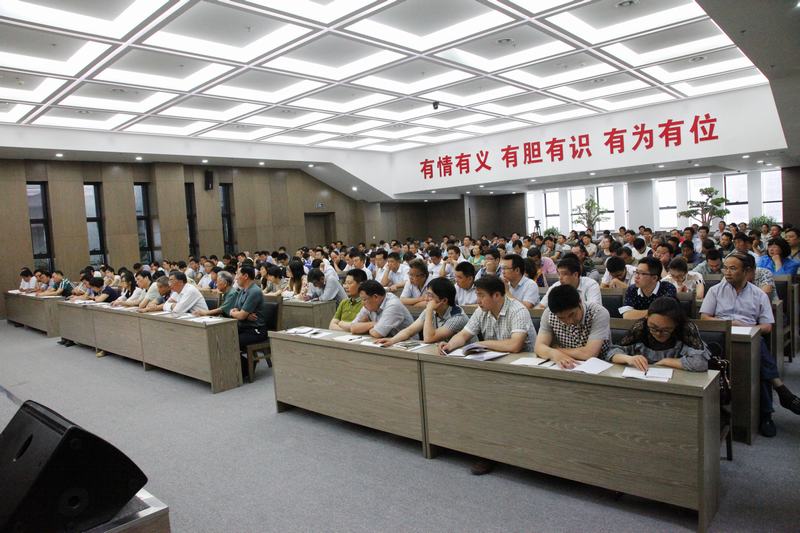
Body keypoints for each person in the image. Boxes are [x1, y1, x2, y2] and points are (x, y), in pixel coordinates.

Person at [437, 274, 537, 476]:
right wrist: (449, 345)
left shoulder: (518, 310)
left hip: (524, 373)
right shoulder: (481, 311)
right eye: (477, 295)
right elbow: (464, 335)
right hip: (494, 368)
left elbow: (514, 345)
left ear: (497, 295)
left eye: (481, 295)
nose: (478, 300)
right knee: (472, 398)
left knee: (492, 404)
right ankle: (484, 449)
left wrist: (482, 343)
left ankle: (502, 451)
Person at [700, 252, 800, 437]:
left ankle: (766, 416)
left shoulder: (758, 294)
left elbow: (767, 326)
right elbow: (705, 318)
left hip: (749, 338)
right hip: (720, 338)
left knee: (758, 361)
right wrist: (728, 324)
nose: (727, 272)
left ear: (746, 271)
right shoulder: (715, 290)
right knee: (761, 363)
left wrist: (747, 327)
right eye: (725, 268)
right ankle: (780, 390)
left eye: (733, 268)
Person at [606, 296, 710, 371]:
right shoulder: (641, 327)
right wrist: (629, 359)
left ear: (676, 324)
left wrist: (666, 362)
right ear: (647, 318)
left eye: (666, 330)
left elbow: (701, 363)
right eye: (653, 327)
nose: (658, 333)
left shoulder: (686, 328)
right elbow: (612, 352)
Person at [534, 284, 613, 369]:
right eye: (561, 318)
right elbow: (538, 347)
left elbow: (589, 353)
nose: (569, 321)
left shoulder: (598, 313)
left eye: (572, 314)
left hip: (599, 365)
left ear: (580, 302)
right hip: (564, 366)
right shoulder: (549, 314)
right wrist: (553, 354)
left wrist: (554, 350)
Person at [376, 278, 469, 346]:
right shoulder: (431, 310)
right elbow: (410, 330)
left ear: (444, 300)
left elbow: (429, 338)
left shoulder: (458, 317)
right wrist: (392, 340)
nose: (426, 299)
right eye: (426, 294)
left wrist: (429, 310)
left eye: (430, 295)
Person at [228, 265, 269, 381]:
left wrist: (240, 314)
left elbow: (240, 315)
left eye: (238, 274)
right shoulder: (243, 290)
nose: (236, 277)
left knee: (230, 342)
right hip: (244, 327)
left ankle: (245, 368)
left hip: (256, 330)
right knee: (223, 337)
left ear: (245, 276)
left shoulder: (254, 291)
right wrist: (240, 314)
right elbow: (235, 309)